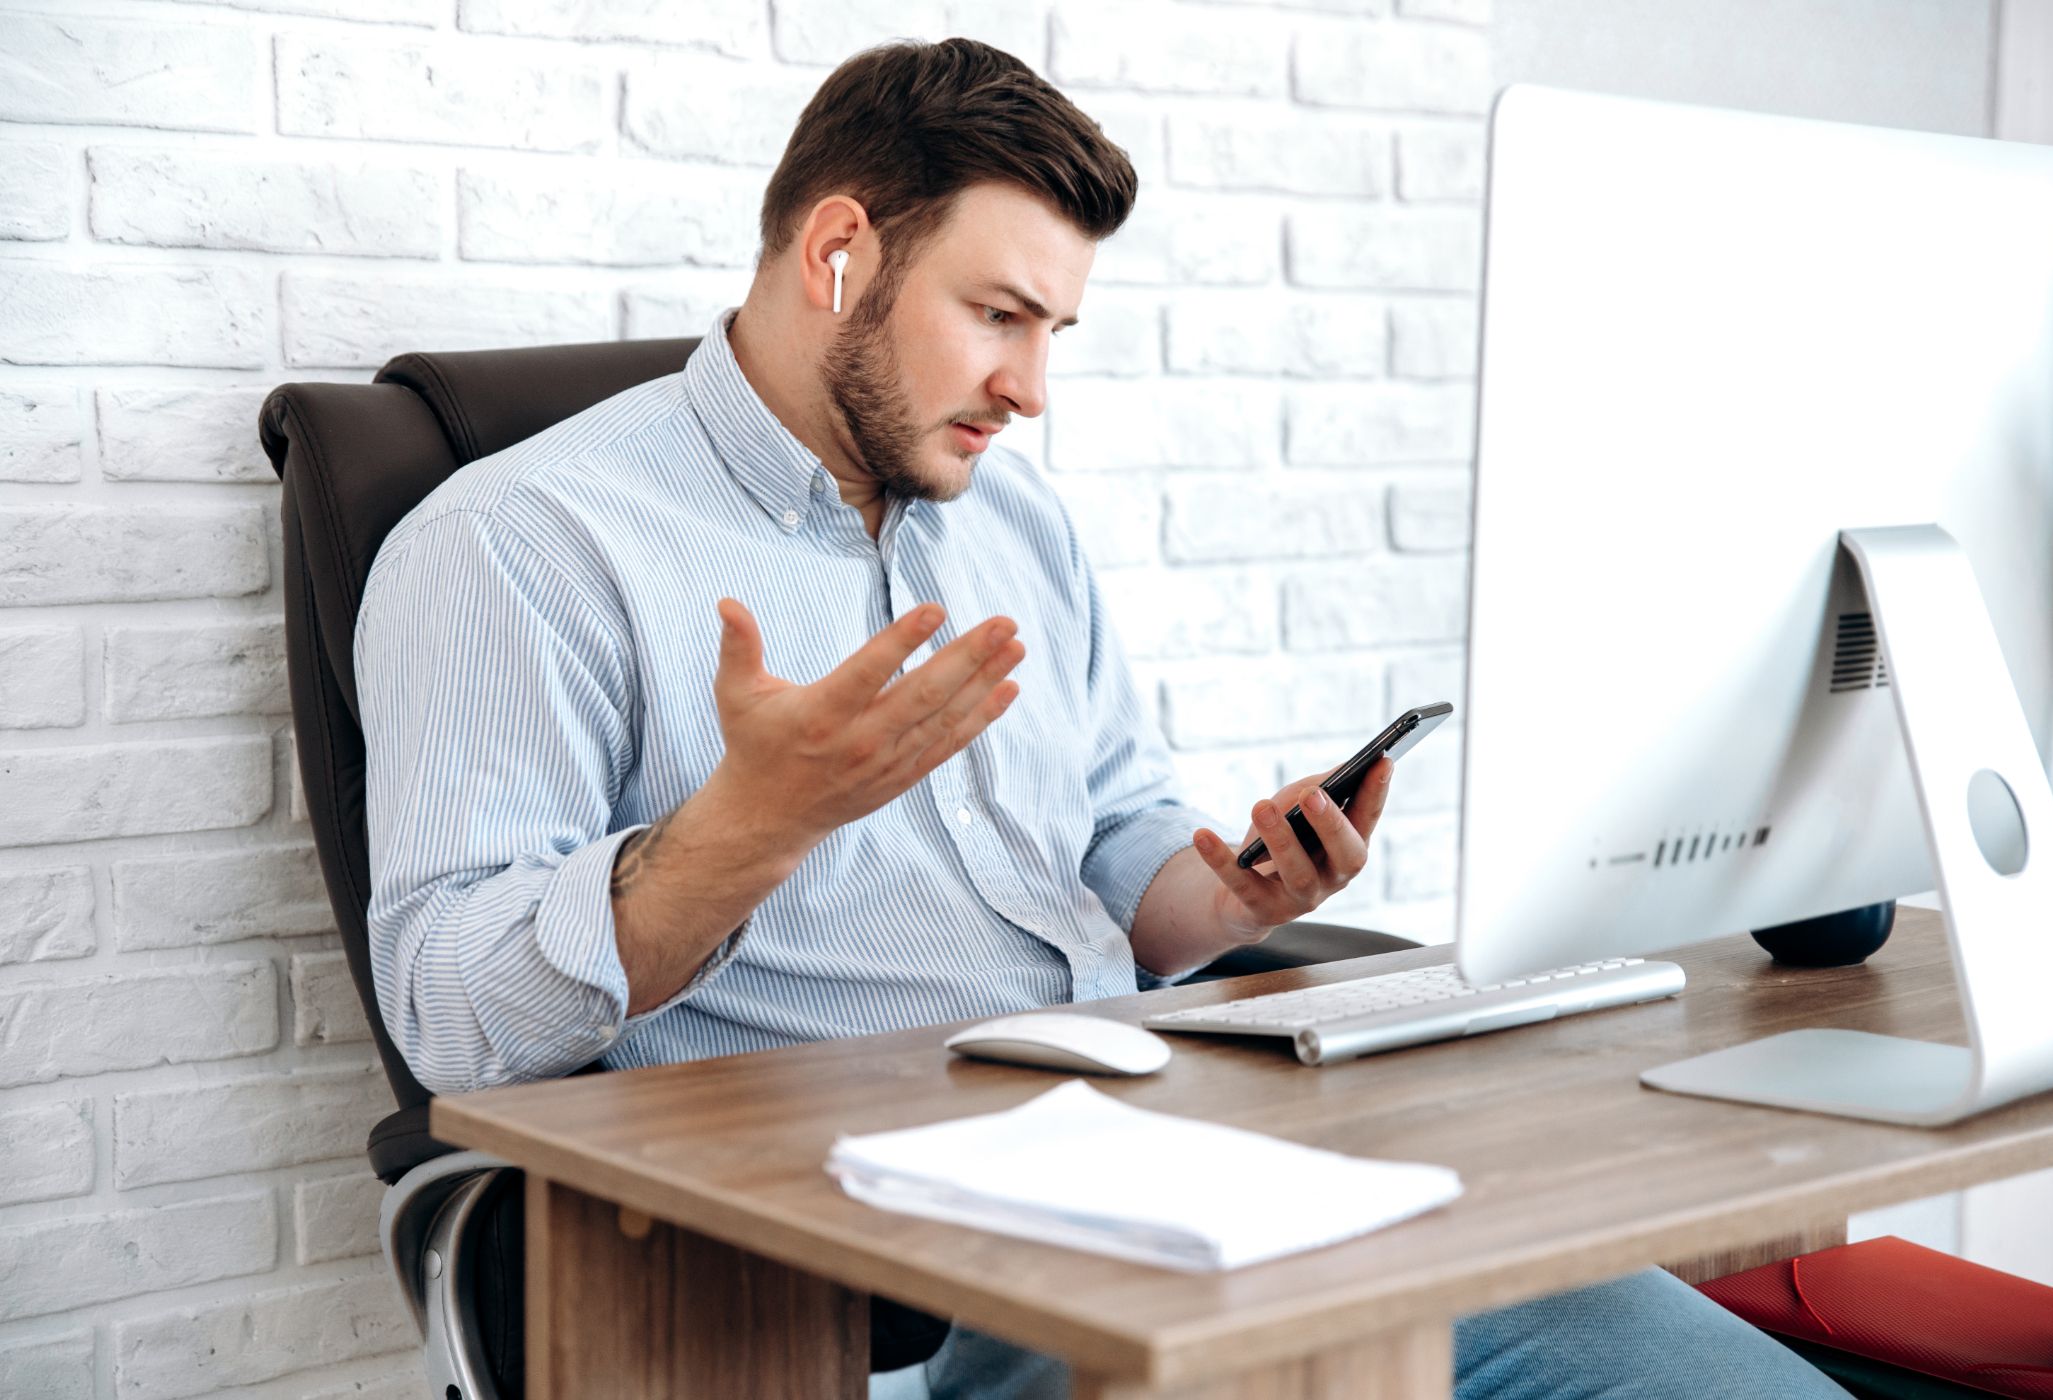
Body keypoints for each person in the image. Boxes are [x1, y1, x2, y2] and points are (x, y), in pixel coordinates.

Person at [355, 36, 1849, 1400]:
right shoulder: (518, 546)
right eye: (998, 316)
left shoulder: (1011, 520)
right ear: (837, 253)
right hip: (867, 1254)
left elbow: (1120, 852)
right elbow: (453, 1024)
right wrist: (749, 829)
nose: (1033, 387)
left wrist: (1231, 890)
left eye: (1054, 326)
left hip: (1164, 1151)